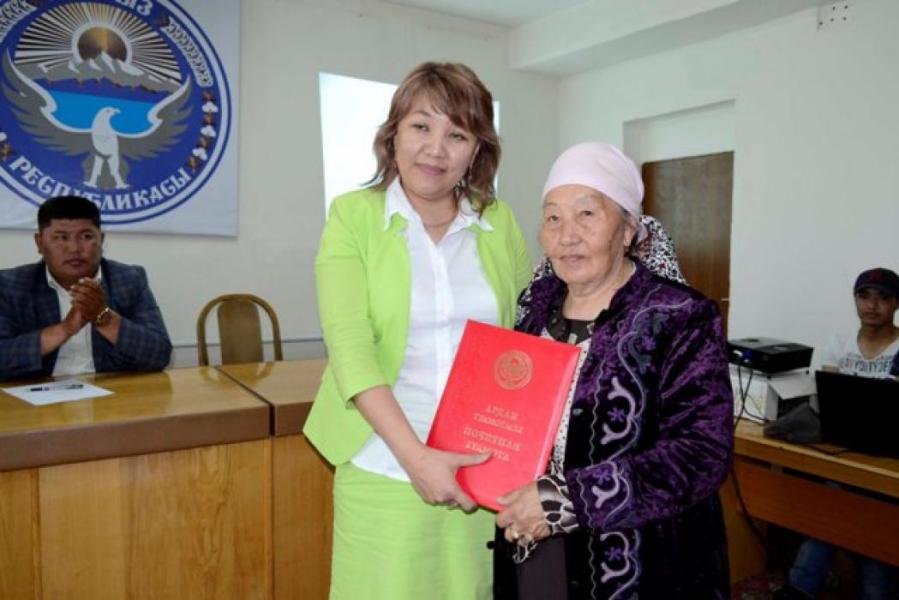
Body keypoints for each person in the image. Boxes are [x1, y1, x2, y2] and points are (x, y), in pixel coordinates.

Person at [302, 62, 532, 599]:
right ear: (393, 136)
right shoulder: (353, 216)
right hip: (383, 458)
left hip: (480, 466)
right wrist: (417, 459)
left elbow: (528, 333)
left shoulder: (499, 221)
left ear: (477, 150)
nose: (436, 149)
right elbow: (351, 349)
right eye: (421, 126)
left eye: (458, 135)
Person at [492, 142, 734, 599]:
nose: (567, 236)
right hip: (534, 547)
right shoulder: (533, 310)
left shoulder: (679, 316)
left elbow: (701, 453)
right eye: (552, 218)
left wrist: (566, 500)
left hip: (645, 565)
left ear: (627, 230)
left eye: (587, 214)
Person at [775, 267, 899, 600]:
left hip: (887, 463)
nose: (872, 305)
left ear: (896, 304)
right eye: (864, 296)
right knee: (836, 509)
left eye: (883, 298)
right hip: (843, 453)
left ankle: (800, 588)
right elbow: (830, 406)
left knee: (841, 515)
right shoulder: (838, 343)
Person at [0, 195, 172, 380]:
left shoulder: (129, 279)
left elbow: (159, 355)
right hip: (38, 393)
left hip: (111, 391)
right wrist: (66, 328)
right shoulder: (11, 285)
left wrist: (104, 318)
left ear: (101, 240)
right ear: (40, 242)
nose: (74, 248)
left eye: (86, 236)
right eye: (61, 237)